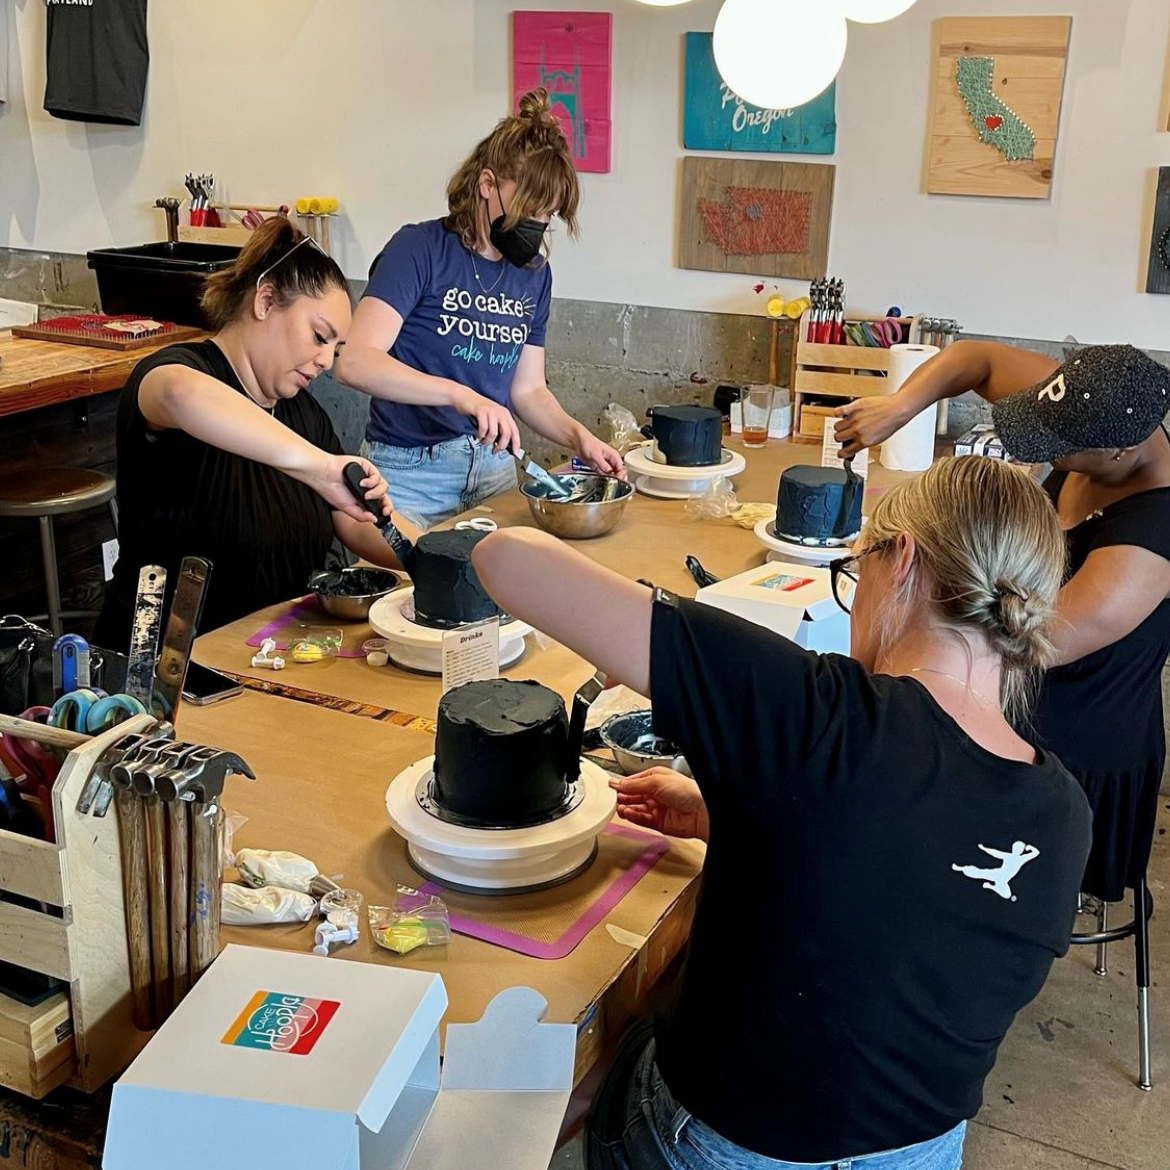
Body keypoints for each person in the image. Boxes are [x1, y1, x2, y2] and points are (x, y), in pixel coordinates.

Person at [472, 457, 1092, 1170]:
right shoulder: (1065, 813)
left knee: (592, 1054)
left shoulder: (814, 712)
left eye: (857, 570)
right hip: (920, 1154)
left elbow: (505, 556)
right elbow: (914, 879)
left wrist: (710, 656)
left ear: (905, 561)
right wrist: (728, 816)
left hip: (722, 1148)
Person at [834, 342, 1170, 914]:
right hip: (1007, 686)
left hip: (1068, 734)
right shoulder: (1087, 401)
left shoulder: (1150, 544)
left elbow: (1020, 641)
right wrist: (902, 406)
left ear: (1121, 451)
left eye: (1059, 451)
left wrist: (912, 582)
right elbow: (977, 359)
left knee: (906, 829)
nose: (1046, 453)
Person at [95, 218, 418, 652]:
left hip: (270, 654)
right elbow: (178, 393)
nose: (325, 361)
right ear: (265, 300)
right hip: (164, 665)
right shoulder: (178, 374)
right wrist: (321, 469)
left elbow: (357, 522)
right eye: (319, 336)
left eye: (335, 349)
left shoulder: (305, 416)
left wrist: (442, 557)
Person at [334, 88, 624, 529]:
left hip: (493, 472)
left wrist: (578, 438)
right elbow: (355, 362)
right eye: (529, 209)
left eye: (548, 215)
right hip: (409, 476)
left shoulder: (534, 275)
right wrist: (460, 394)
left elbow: (527, 391)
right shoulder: (419, 250)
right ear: (487, 185)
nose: (539, 225)